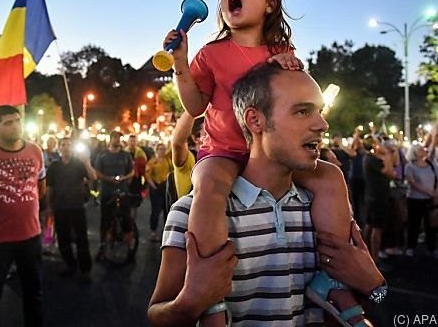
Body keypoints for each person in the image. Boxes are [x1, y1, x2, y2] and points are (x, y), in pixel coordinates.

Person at [162, 0, 357, 323]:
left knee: (331, 177)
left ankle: (333, 276)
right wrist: (181, 63)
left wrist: (291, 66)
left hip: (274, 156)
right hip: (222, 151)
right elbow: (195, 105)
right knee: (209, 187)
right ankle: (211, 293)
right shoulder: (211, 53)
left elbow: (296, 101)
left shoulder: (283, 53)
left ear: (270, 3)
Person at [149, 64, 384, 327]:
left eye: (319, 111)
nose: (322, 124)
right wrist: (190, 301)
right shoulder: (192, 213)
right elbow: (158, 316)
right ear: (255, 121)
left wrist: (375, 286)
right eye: (303, 111)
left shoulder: (326, 209)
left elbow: (359, 310)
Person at [0, 105, 46, 327]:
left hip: (30, 237)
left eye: (17, 121)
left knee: (34, 295)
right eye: (8, 122)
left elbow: (41, 188)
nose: (15, 126)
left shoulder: (35, 151)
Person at [46, 137, 96, 277]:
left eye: (68, 144)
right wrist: (49, 206)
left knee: (81, 237)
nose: (66, 147)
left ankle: (85, 268)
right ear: (59, 148)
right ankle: (70, 264)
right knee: (63, 237)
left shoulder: (78, 164)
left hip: (77, 206)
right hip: (60, 206)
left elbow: (93, 176)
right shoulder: (54, 166)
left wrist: (86, 162)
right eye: (63, 145)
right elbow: (50, 188)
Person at [94, 131, 134, 260]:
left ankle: (130, 249)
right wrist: (108, 179)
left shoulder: (126, 155)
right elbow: (97, 172)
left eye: (119, 138)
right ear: (110, 139)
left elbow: (132, 171)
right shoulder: (102, 155)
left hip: (122, 191)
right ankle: (102, 246)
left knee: (127, 220)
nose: (117, 140)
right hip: (107, 192)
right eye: (115, 138)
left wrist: (124, 177)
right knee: (105, 221)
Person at [362, 135, 396, 271]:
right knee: (377, 228)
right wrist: (387, 155)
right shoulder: (371, 159)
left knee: (370, 225)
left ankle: (365, 254)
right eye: (378, 143)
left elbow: (394, 164)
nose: (382, 144)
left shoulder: (371, 158)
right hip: (378, 198)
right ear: (374, 145)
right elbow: (390, 173)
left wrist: (390, 154)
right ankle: (375, 259)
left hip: (373, 197)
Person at [404, 143, 438, 257]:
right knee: (414, 223)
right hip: (415, 199)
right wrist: (429, 192)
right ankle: (410, 247)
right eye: (420, 149)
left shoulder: (431, 164)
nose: (424, 150)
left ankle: (431, 248)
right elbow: (412, 183)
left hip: (429, 199)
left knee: (431, 224)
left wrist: (435, 192)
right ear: (414, 153)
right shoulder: (410, 166)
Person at [170, 113, 205, 201]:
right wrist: (191, 110)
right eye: (209, 131)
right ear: (196, 138)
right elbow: (177, 143)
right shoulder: (189, 159)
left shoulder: (219, 160)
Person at [145, 143, 173, 242]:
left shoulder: (168, 161)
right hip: (156, 188)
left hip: (166, 188)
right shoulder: (152, 161)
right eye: (160, 149)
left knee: (167, 211)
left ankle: (167, 232)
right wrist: (154, 186)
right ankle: (153, 232)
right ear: (156, 150)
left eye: (163, 149)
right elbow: (147, 175)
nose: (162, 151)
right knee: (155, 211)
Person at [126, 134, 147, 216]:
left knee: (134, 203)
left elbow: (144, 167)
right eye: (131, 141)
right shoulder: (124, 152)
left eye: (134, 141)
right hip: (126, 180)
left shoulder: (141, 153)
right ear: (128, 142)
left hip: (136, 180)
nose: (132, 143)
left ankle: (132, 222)